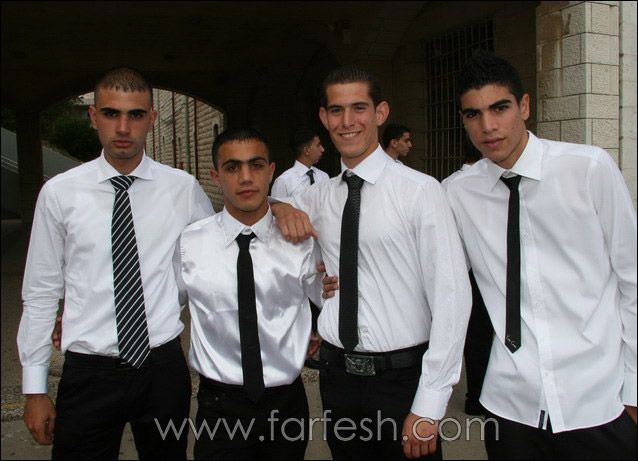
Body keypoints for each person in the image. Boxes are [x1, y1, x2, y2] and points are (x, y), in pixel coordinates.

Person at [273, 65, 472, 460]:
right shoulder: (317, 197)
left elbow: (452, 297)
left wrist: (430, 403)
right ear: (324, 117)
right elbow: (256, 216)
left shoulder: (420, 192)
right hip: (338, 379)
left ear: (380, 112)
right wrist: (278, 207)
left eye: (359, 108)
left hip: (401, 382)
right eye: (336, 110)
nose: (347, 121)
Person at [446, 50, 637, 459]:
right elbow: (425, 268)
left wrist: (635, 391)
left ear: (525, 106)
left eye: (500, 108)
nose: (488, 126)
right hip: (509, 404)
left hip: (597, 400)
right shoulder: (458, 193)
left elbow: (633, 280)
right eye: (473, 114)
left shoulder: (588, 169)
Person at [18, 67, 214, 459]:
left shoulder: (182, 189)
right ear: (94, 117)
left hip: (161, 368)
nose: (123, 127)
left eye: (135, 114)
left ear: (152, 118)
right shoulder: (59, 194)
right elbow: (40, 291)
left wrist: (276, 208)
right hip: (89, 373)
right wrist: (34, 389)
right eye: (111, 113)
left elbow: (217, 256)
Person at [175, 128, 324, 459]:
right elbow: (159, 304)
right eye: (232, 167)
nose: (245, 177)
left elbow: (330, 298)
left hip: (286, 403)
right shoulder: (190, 243)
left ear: (271, 171)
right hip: (220, 406)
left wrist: (318, 331)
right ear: (215, 176)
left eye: (256, 165)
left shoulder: (300, 240)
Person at [441, 141, 493, 417]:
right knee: (482, 335)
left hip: (463, 268)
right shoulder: (473, 185)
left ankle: (477, 394)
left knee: (476, 335)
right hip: (478, 270)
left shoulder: (447, 183)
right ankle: (480, 395)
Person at [270, 128, 329, 199]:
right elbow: (277, 206)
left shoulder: (323, 176)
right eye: (318, 145)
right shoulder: (283, 181)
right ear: (306, 150)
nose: (322, 149)